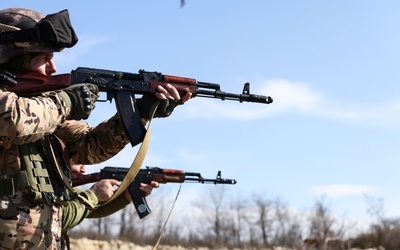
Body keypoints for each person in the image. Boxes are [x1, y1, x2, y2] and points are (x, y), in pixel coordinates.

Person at [0, 7, 191, 250]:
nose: (53, 68)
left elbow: (89, 148)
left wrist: (141, 112)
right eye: (44, 58)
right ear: (12, 58)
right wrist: (68, 101)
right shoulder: (24, 107)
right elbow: (13, 120)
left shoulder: (46, 112)